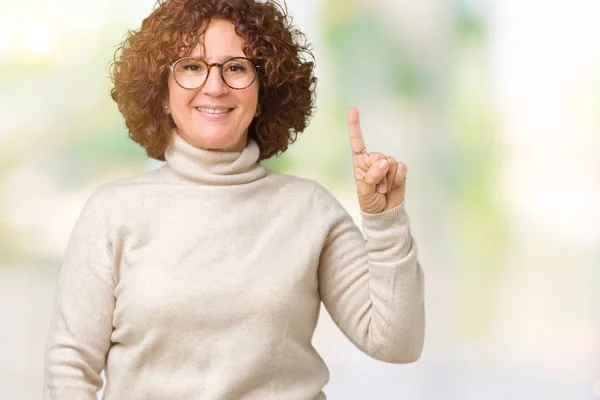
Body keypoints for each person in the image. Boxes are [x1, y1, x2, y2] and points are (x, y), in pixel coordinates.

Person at [42, 0, 425, 399]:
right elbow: (70, 369)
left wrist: (385, 221)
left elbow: (396, 343)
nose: (214, 85)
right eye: (191, 67)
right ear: (162, 92)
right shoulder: (112, 213)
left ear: (264, 92)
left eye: (236, 67)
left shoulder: (310, 210)